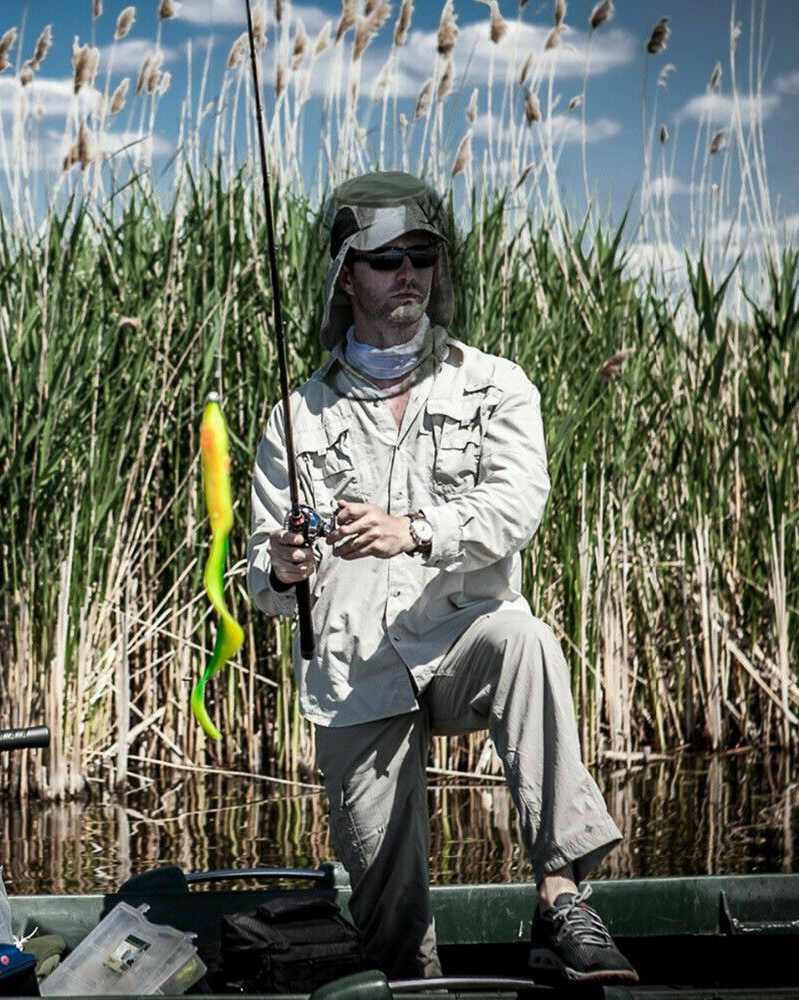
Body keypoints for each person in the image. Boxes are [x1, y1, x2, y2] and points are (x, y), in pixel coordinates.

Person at [246, 171, 637, 985]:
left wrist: (414, 530)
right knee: (392, 930)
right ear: (346, 274)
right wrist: (281, 568)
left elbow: (517, 505)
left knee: (523, 640)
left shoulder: (497, 383)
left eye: (422, 254)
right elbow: (258, 577)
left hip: (463, 641)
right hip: (357, 676)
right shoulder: (295, 416)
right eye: (386, 257)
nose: (408, 273)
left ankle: (563, 896)